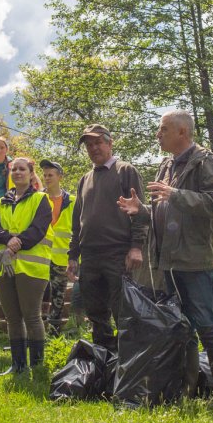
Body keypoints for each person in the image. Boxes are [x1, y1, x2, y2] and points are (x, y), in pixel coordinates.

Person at [117, 110, 213, 407]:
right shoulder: (166, 165)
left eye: (163, 129)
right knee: (182, 328)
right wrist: (141, 209)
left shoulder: (205, 161)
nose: (158, 134)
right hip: (168, 259)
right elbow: (163, 208)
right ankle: (188, 391)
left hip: (197, 259)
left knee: (207, 325)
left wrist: (176, 194)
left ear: (183, 132)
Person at [67, 124, 148, 352]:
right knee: (96, 314)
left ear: (110, 143)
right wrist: (73, 255)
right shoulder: (85, 179)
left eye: (98, 143)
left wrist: (136, 247)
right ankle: (104, 362)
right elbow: (77, 221)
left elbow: (140, 212)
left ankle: (128, 365)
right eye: (89, 145)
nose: (93, 148)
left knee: (123, 312)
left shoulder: (125, 171)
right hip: (90, 257)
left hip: (118, 254)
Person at [0, 157, 54, 375]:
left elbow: (38, 230)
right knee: (12, 317)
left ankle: (37, 366)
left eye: (22, 169)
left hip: (31, 268)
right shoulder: (1, 202)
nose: (17, 172)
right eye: (14, 169)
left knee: (32, 315)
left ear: (30, 173)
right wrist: (9, 239)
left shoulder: (41, 199)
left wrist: (13, 245)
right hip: (4, 267)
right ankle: (18, 365)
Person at [40, 159, 76, 335]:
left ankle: (53, 334)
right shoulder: (37, 199)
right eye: (45, 175)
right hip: (39, 256)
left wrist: (75, 257)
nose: (47, 178)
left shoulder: (72, 201)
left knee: (58, 297)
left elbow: (78, 229)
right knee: (37, 295)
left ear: (60, 176)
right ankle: (36, 332)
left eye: (50, 175)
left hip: (62, 257)